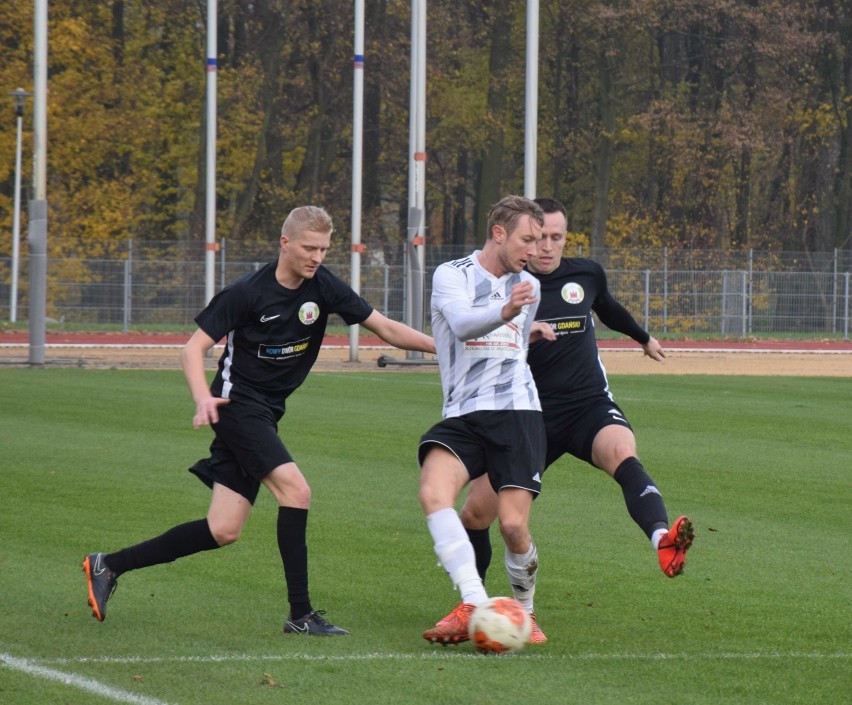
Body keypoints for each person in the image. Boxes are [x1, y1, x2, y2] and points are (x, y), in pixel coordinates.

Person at [83, 205, 435, 635]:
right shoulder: (246, 292)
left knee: (223, 529)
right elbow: (192, 349)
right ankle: (301, 615)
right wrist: (201, 399)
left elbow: (387, 328)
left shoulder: (323, 285)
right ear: (285, 243)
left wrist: (446, 350)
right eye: (309, 247)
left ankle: (109, 565)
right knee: (296, 491)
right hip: (235, 405)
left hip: (267, 411)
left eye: (324, 249)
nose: (317, 257)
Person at [434, 196, 694, 644]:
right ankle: (469, 604)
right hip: (528, 413)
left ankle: (660, 539)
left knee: (621, 451)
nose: (545, 248)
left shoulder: (586, 273)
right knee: (477, 514)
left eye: (555, 238)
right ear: (518, 237)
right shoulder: (509, 281)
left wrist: (643, 336)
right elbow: (471, 326)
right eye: (538, 239)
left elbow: (607, 307)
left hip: (587, 403)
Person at [418, 195, 549, 647]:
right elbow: (460, 325)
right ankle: (472, 601)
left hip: (517, 411)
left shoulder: (529, 286)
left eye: (539, 241)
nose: (534, 250)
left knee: (512, 526)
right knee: (434, 493)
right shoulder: (451, 275)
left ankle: (525, 613)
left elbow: (515, 352)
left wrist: (518, 315)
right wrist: (507, 312)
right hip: (463, 413)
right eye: (527, 240)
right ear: (498, 233)